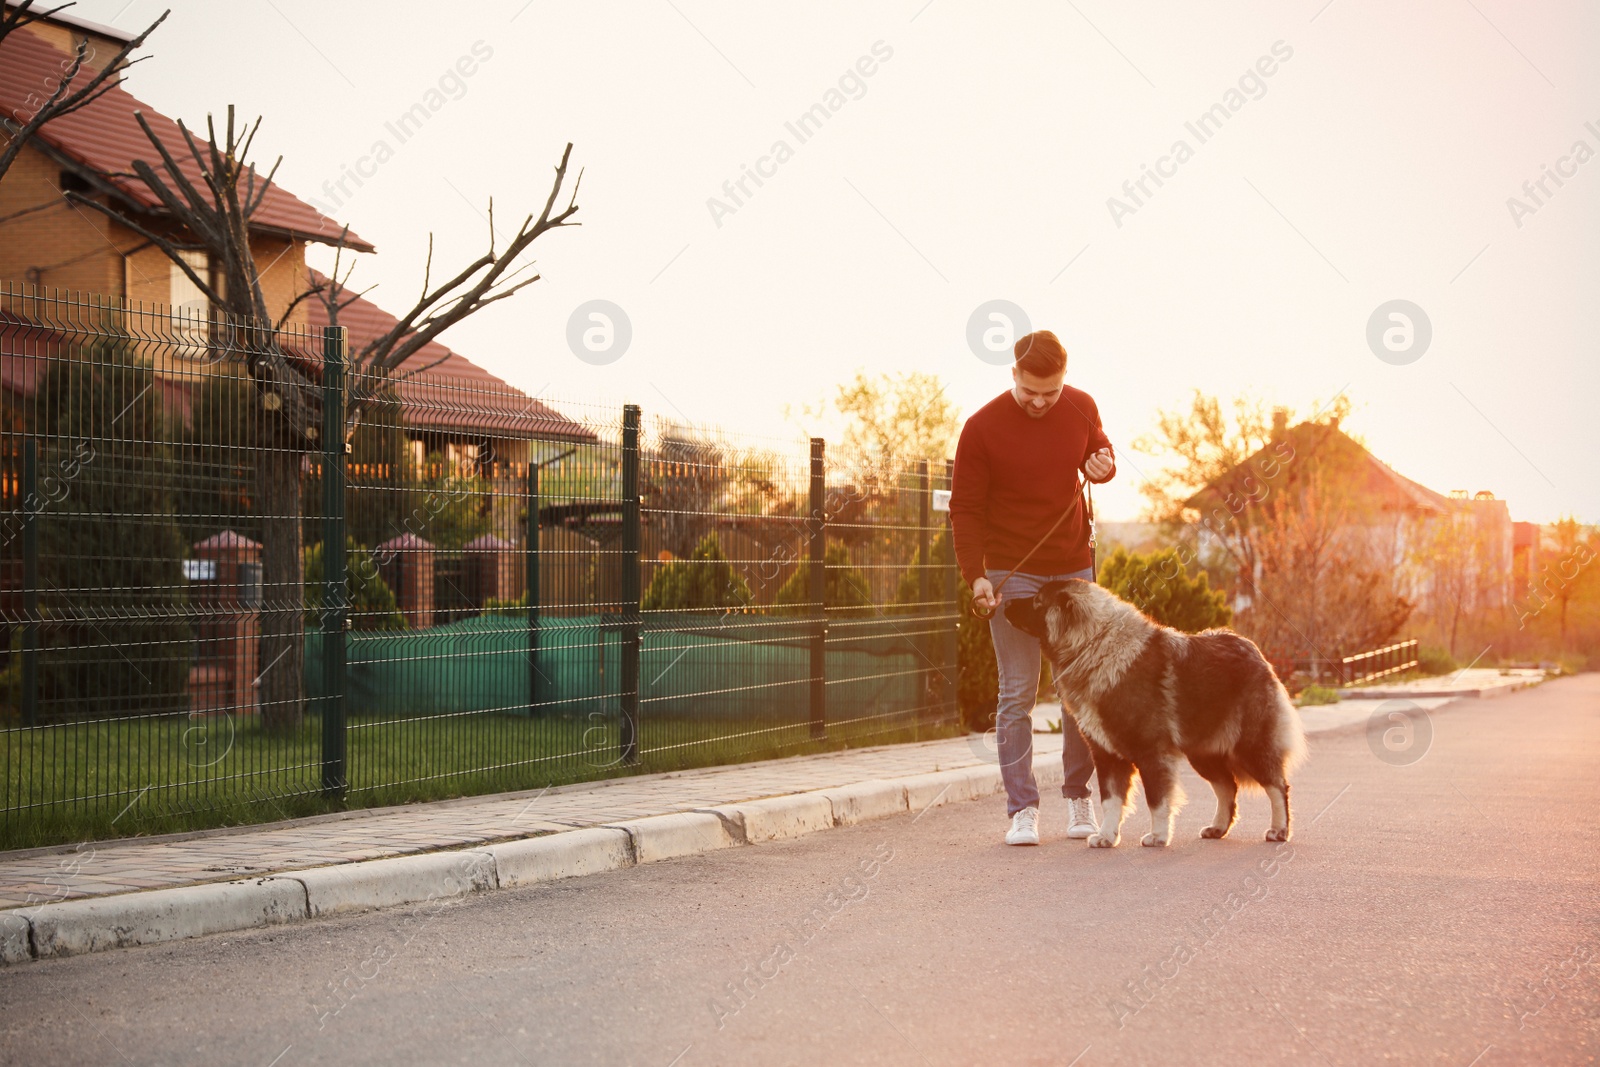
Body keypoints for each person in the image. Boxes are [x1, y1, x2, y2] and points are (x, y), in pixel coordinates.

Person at [949, 329, 1116, 846]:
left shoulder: (1082, 405)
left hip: (1072, 567)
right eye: (1031, 392)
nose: (1042, 402)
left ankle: (1078, 799)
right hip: (1010, 569)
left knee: (1077, 690)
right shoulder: (981, 428)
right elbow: (965, 508)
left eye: (1052, 391)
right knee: (1019, 691)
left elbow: (1101, 453)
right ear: (1013, 375)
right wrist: (975, 574)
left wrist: (1103, 464)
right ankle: (1022, 809)